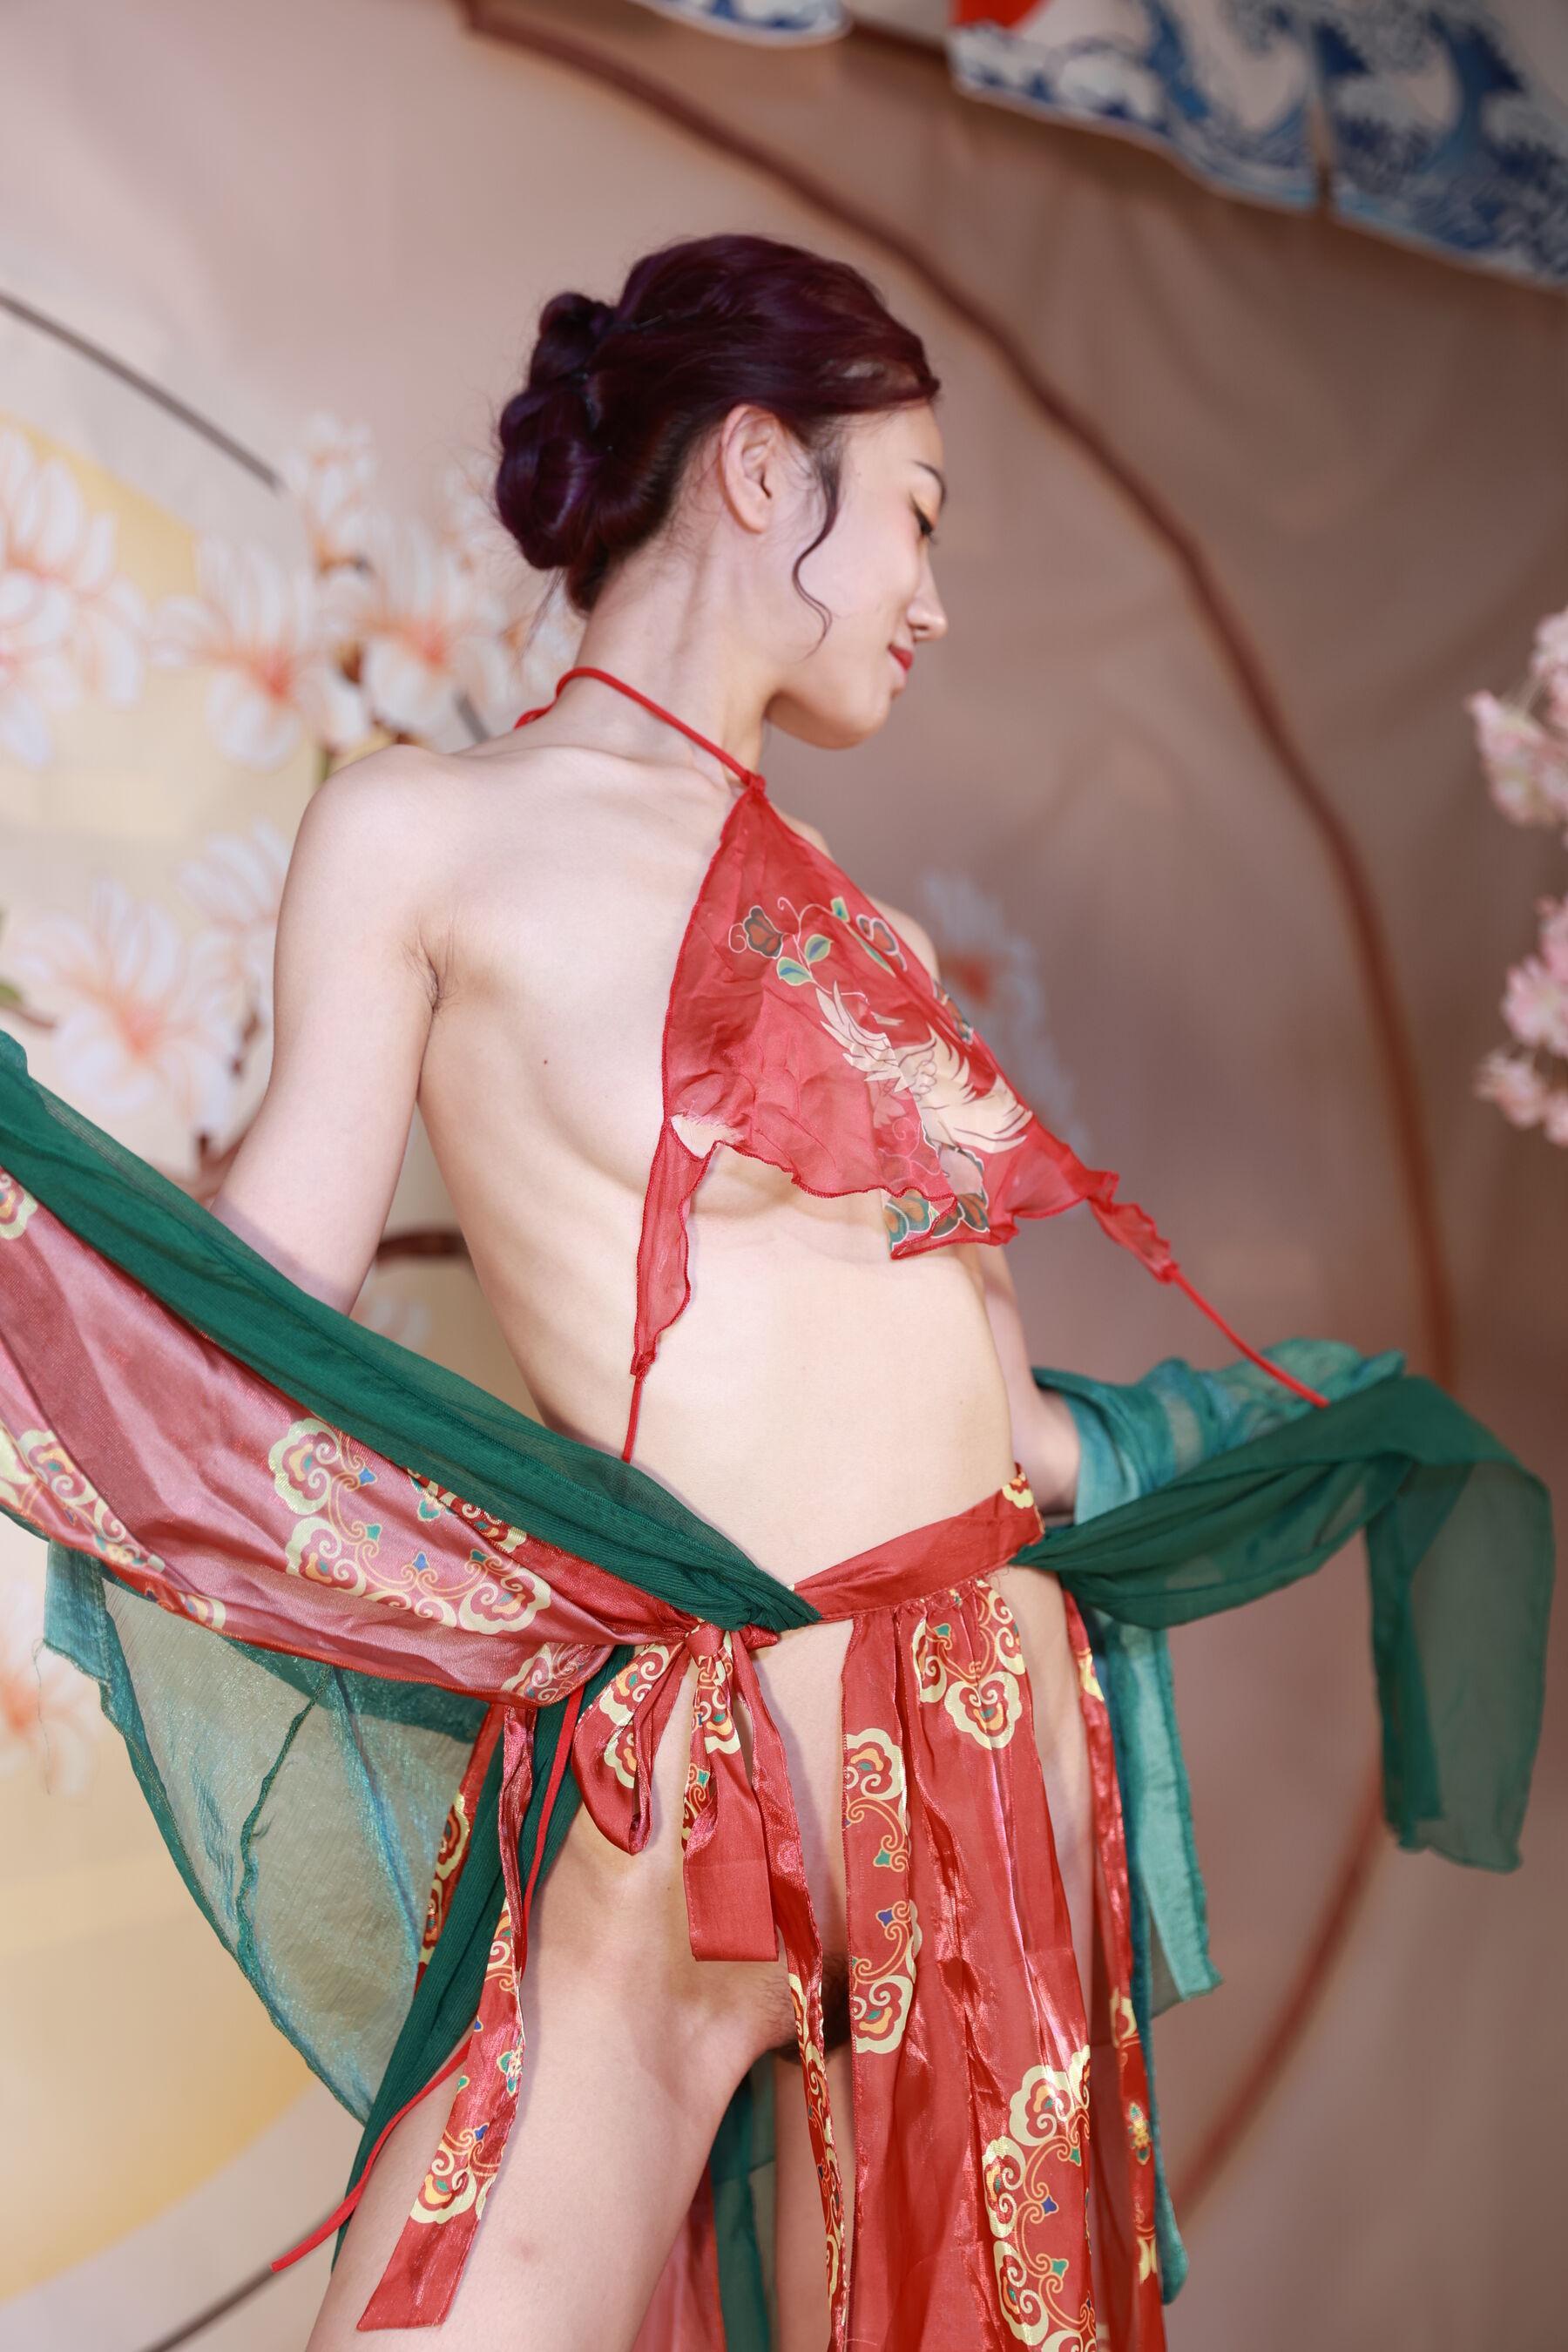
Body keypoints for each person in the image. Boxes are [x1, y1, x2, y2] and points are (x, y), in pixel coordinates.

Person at [0, 232, 1550, 2352]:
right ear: (757, 468)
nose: (934, 595)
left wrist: (1259, 1444)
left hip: (993, 1758)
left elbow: (1002, 1423)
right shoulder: (425, 836)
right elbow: (253, 1309)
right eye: (914, 511)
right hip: (689, 1775)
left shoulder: (872, 939)